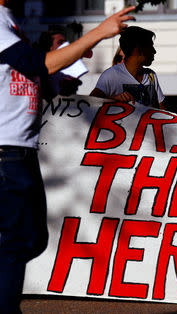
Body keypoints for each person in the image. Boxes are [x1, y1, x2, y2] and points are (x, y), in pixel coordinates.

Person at [0, 2, 135, 312]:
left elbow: (36, 78)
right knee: (20, 240)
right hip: (7, 153)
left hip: (20, 151)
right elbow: (37, 63)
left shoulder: (9, 20)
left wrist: (71, 57)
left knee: (32, 238)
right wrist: (99, 33)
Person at [90, 26, 164, 109]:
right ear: (138, 50)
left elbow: (163, 112)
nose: (154, 51)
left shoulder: (151, 75)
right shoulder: (110, 75)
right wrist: (113, 99)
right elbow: (91, 103)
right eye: (150, 46)